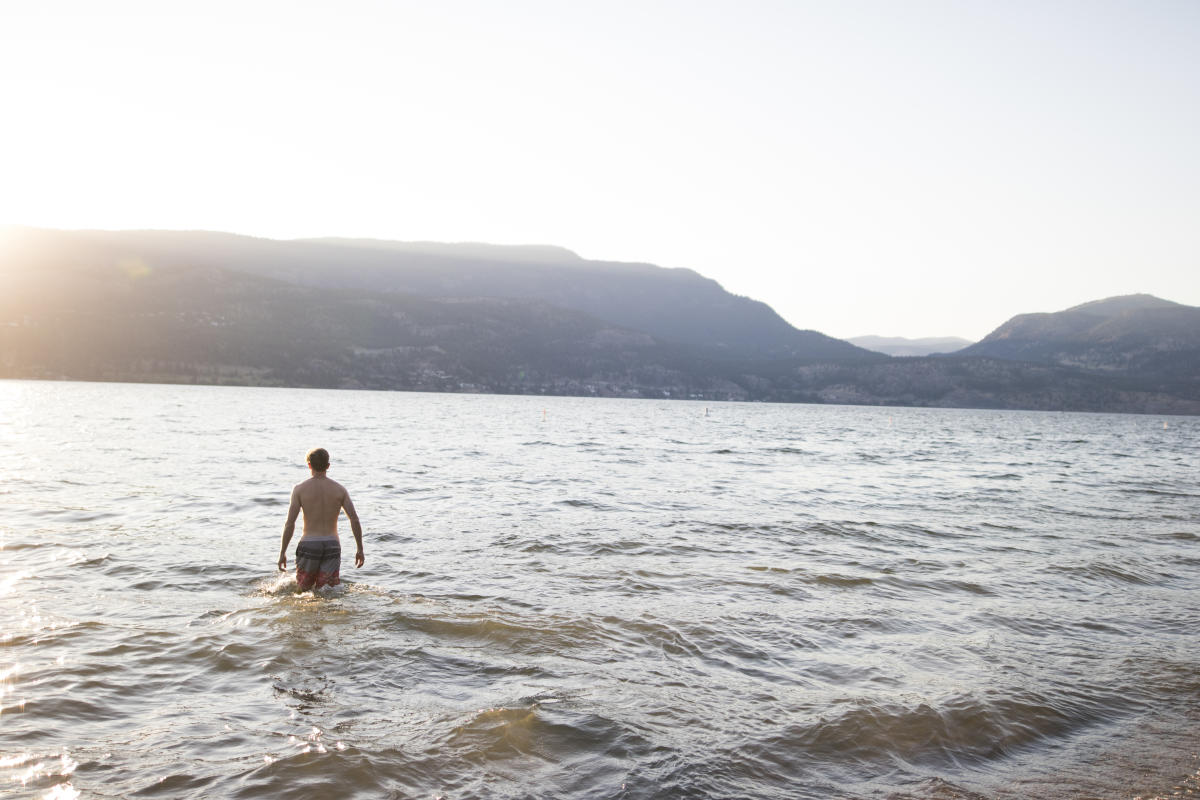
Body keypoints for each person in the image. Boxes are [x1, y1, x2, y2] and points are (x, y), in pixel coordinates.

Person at [278, 447, 364, 590]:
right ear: (328, 466)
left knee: (303, 589)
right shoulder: (339, 489)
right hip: (332, 544)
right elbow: (354, 519)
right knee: (328, 591)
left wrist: (282, 552)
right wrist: (360, 549)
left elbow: (290, 523)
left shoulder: (299, 489)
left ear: (309, 465)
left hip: (309, 544)